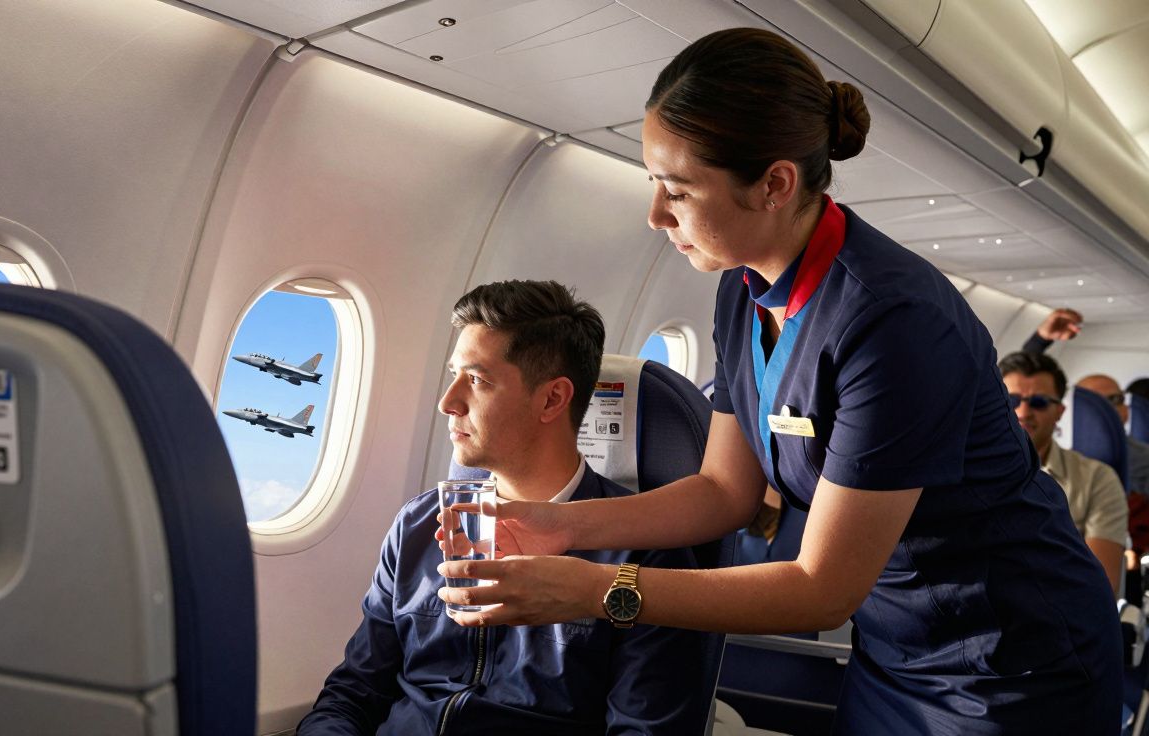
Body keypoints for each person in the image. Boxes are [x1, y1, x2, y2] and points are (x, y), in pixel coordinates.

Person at [436, 28, 1121, 734]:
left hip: (1015, 656)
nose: (655, 214)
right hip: (891, 644)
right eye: (653, 184)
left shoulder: (894, 323)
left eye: (678, 190)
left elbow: (821, 590)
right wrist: (559, 524)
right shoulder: (741, 293)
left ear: (774, 185)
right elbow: (723, 491)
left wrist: (597, 590)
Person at [298, 280, 715, 735]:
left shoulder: (644, 552)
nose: (447, 402)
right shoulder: (418, 526)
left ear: (552, 399)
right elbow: (353, 694)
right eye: (453, 375)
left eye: (477, 380)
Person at [998, 351, 1128, 591]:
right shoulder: (965, 472)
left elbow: (1100, 585)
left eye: (1039, 402)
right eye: (1012, 400)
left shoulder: (1096, 479)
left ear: (1059, 411)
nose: (1023, 412)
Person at [1021, 307, 1149, 496]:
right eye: (1096, 405)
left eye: (1118, 399)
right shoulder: (1048, 443)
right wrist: (1039, 340)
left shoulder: (1139, 458)